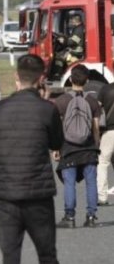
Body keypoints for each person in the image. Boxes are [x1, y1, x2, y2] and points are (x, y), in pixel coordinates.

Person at [0, 54, 63, 264]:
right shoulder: (47, 110)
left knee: (10, 256)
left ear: (16, 76)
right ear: (41, 79)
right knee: (47, 254)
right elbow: (57, 143)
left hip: (6, 196)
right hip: (38, 195)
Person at [54, 64, 100, 228]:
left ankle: (70, 217)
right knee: (91, 182)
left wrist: (56, 148)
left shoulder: (61, 101)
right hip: (88, 149)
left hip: (68, 148)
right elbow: (95, 128)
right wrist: (96, 146)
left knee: (69, 183)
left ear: (71, 79)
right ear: (87, 80)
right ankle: (91, 217)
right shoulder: (92, 102)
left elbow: (57, 128)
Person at [97, 82, 114, 206]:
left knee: (103, 162)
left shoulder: (106, 89)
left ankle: (102, 196)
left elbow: (97, 110)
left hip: (110, 131)